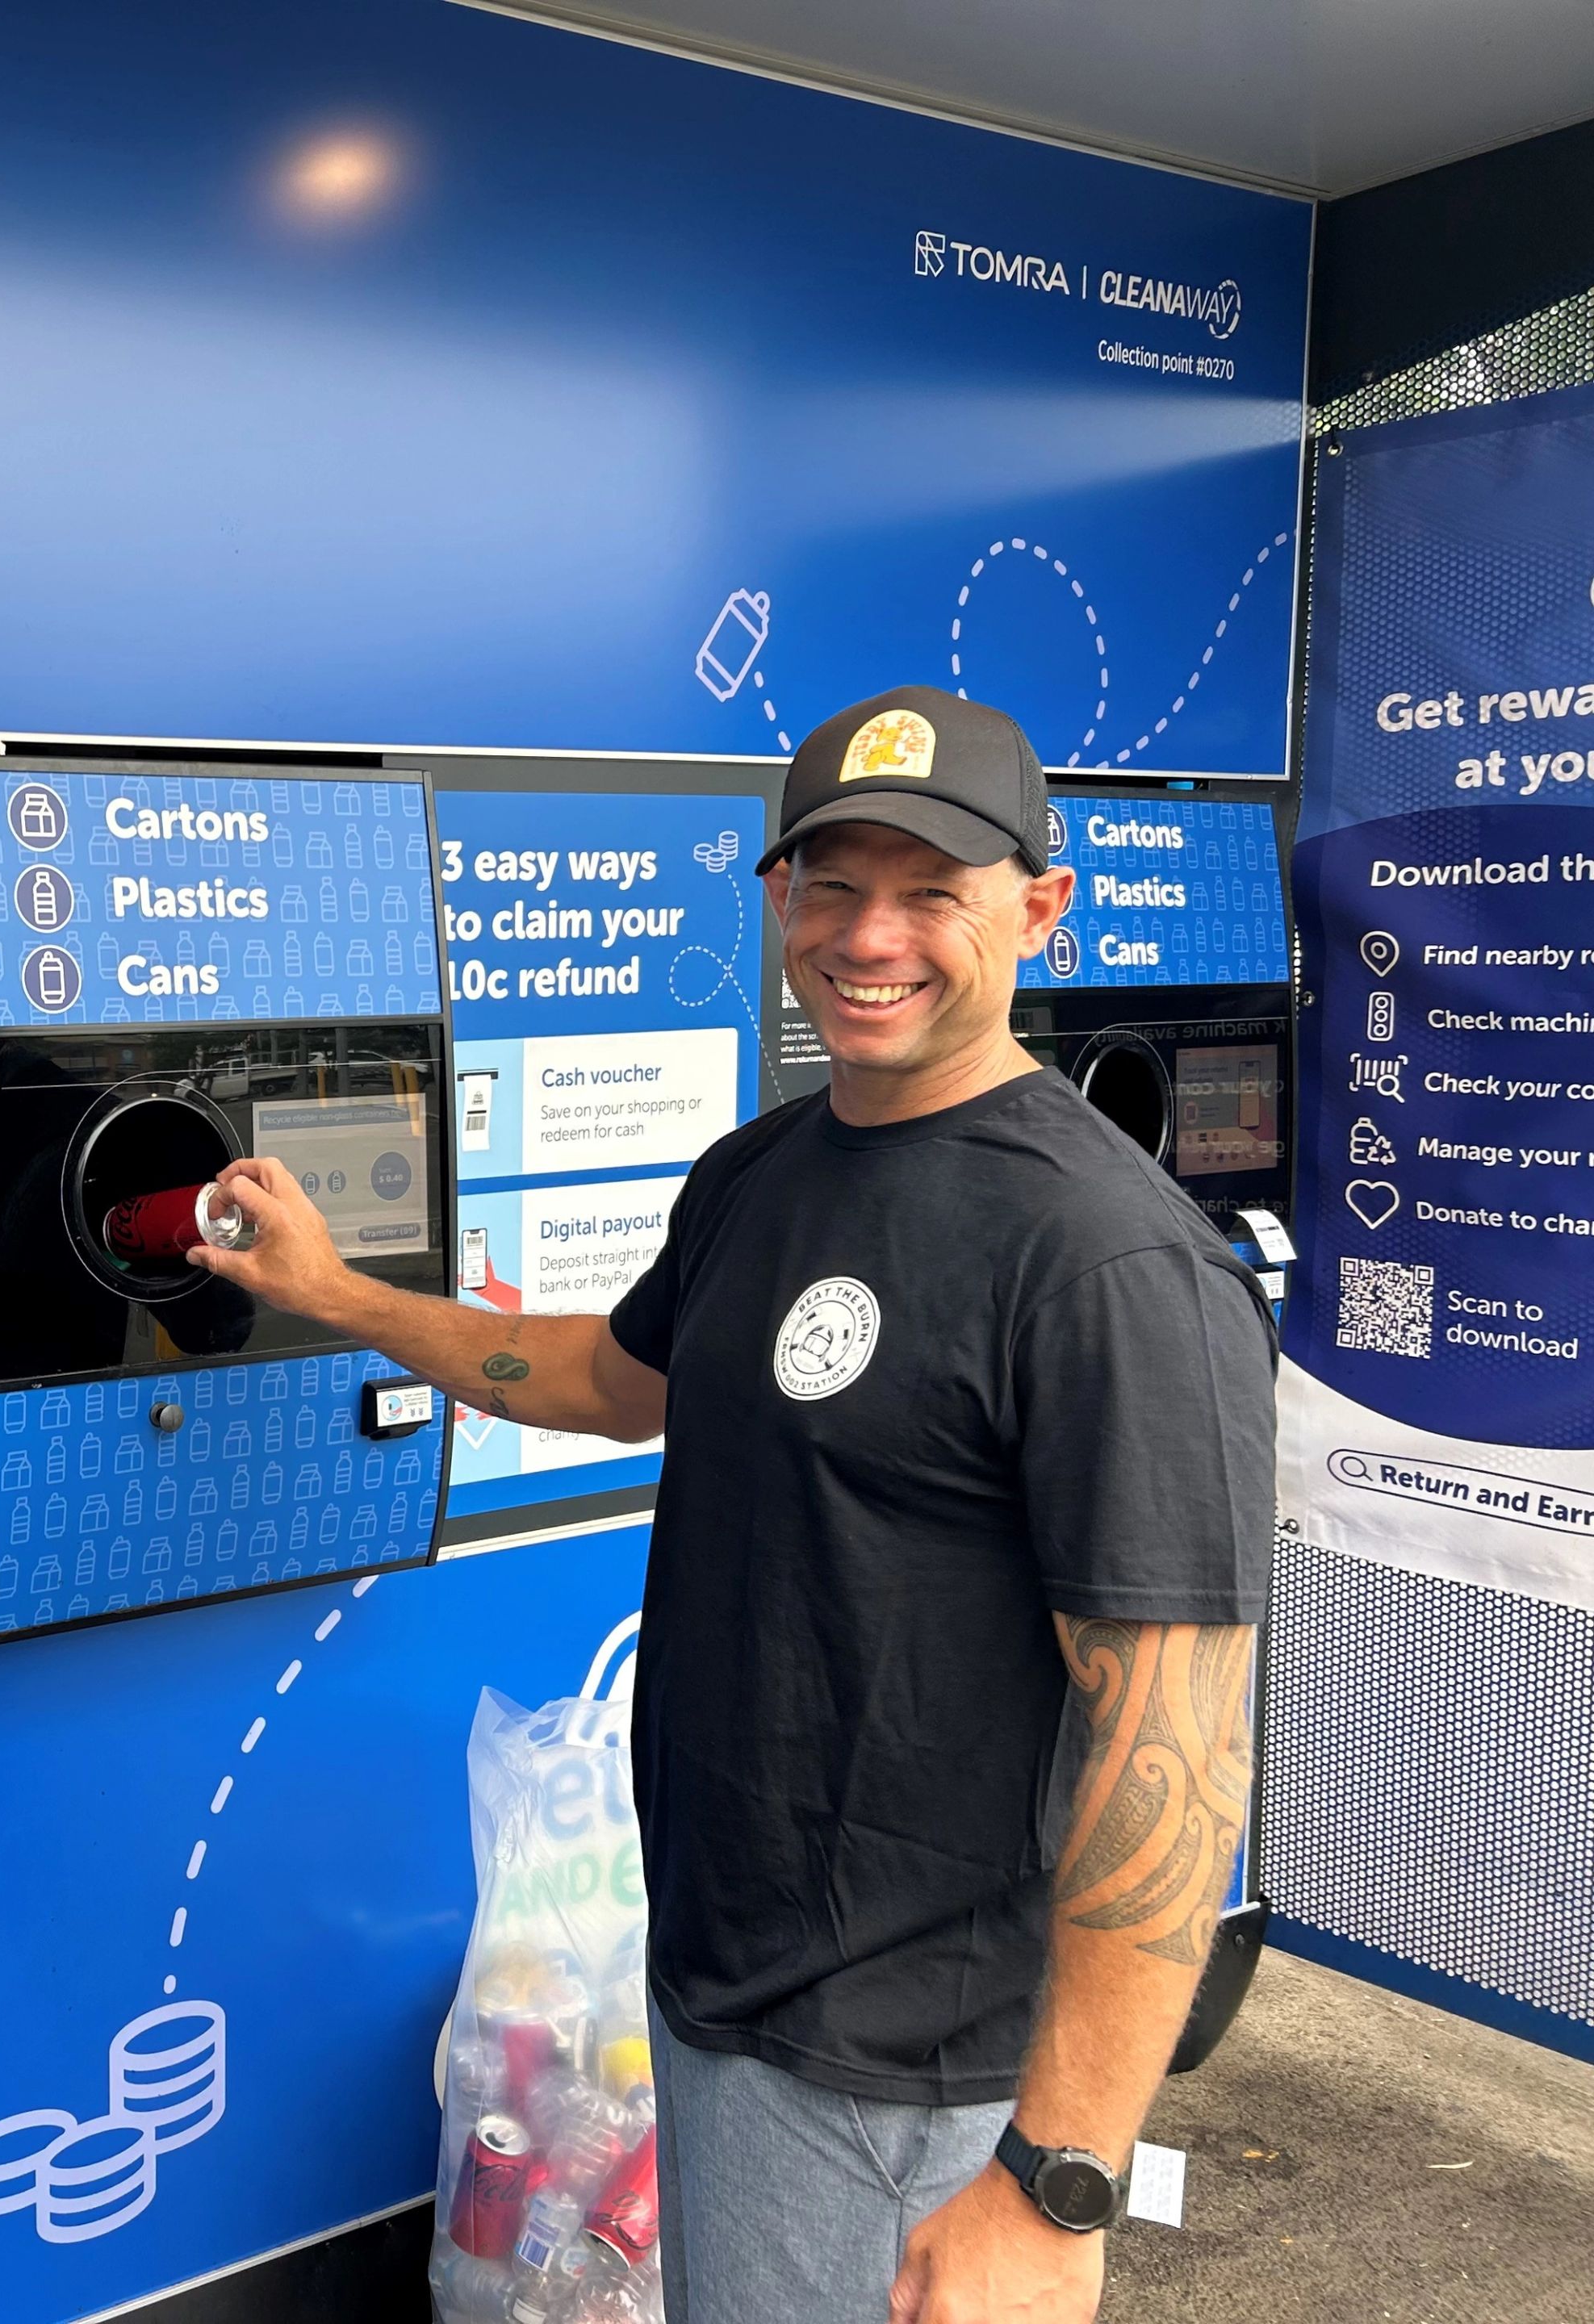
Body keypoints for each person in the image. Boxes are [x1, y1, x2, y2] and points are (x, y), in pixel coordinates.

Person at [193, 687, 1272, 2324]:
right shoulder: (760, 1177)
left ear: (1040, 909)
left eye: (933, 891)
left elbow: (1173, 1752)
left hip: (908, 2069)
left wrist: (1056, 2180)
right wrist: (338, 1294)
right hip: (723, 1985)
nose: (871, 936)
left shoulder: (1107, 1263)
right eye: (835, 886)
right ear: (780, 900)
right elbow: (600, 1378)